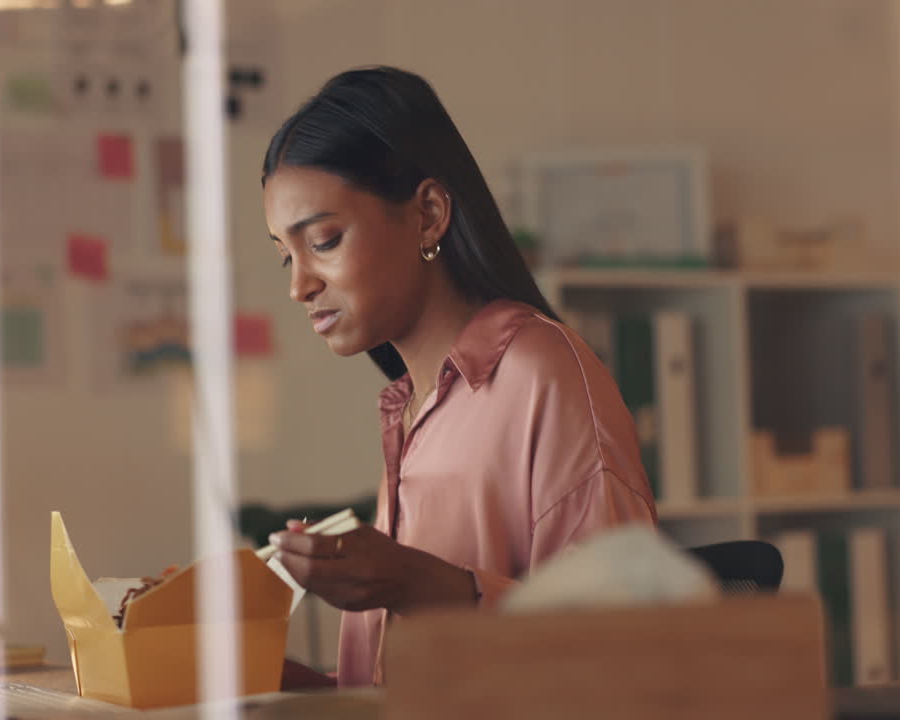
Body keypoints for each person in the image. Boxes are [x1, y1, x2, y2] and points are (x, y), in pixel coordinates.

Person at [261, 66, 657, 688]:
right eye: (287, 254)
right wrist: (261, 678)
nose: (298, 284)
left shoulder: (541, 375)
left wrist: (417, 583)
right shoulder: (411, 408)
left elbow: (618, 651)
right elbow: (399, 691)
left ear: (428, 213)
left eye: (325, 240)